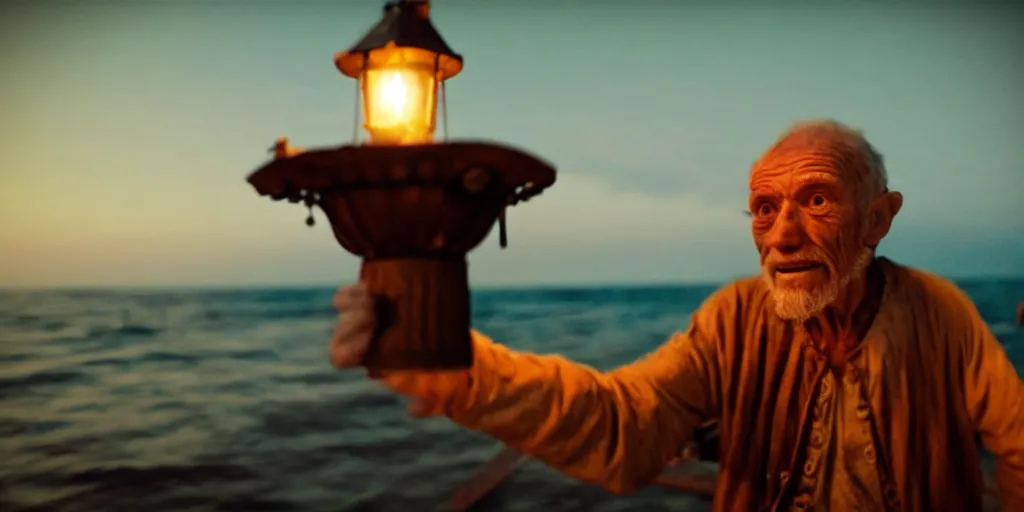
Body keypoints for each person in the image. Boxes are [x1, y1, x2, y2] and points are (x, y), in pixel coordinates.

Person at [328, 120, 1024, 511]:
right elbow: (624, 422)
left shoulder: (943, 315)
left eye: (815, 201)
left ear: (877, 218)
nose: (780, 235)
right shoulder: (733, 319)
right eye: (762, 208)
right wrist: (453, 364)